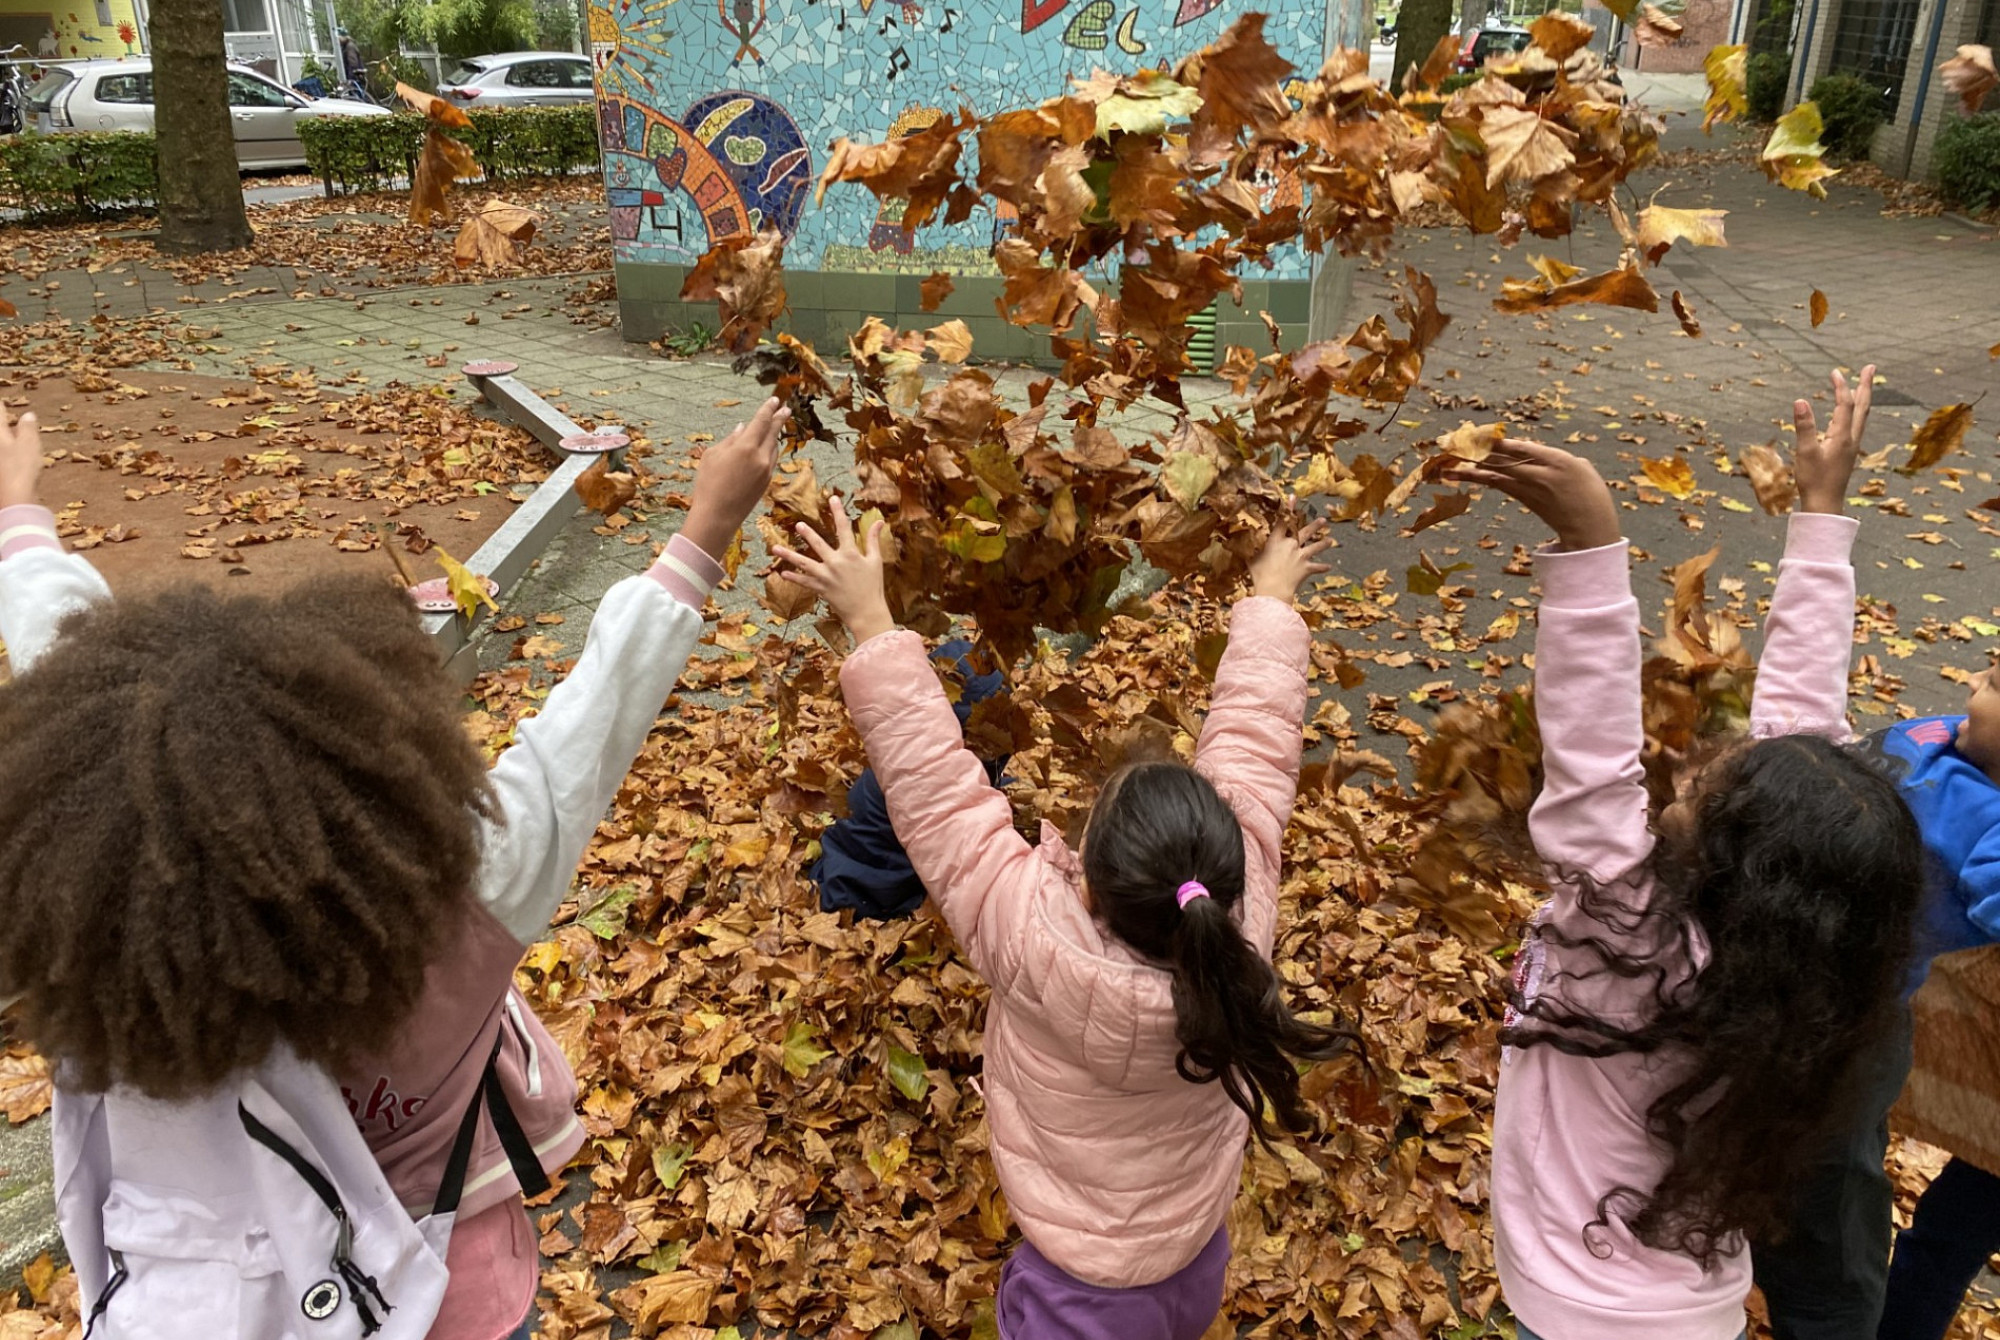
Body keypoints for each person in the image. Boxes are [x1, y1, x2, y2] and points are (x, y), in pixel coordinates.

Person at [0, 399, 788, 1340]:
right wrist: (705, 529)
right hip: (459, 1295)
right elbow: (592, 722)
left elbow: (76, 694)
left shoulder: (112, 933)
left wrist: (22, 524)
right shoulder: (464, 900)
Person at [773, 498, 1360, 1339]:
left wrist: (868, 616)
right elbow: (1256, 741)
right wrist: (1271, 600)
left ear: (1088, 886)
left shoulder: (1026, 931)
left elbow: (936, 793)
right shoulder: (1243, 915)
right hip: (1194, 1255)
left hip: (1075, 1294)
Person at [1453, 368, 1929, 1340]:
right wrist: (1819, 517)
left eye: (1708, 787)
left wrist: (1591, 548)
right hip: (1694, 1307)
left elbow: (1590, 765)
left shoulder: (1625, 936)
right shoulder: (1799, 977)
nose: (1696, 766)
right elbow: (1805, 746)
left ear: (1723, 860)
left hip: (1572, 1310)